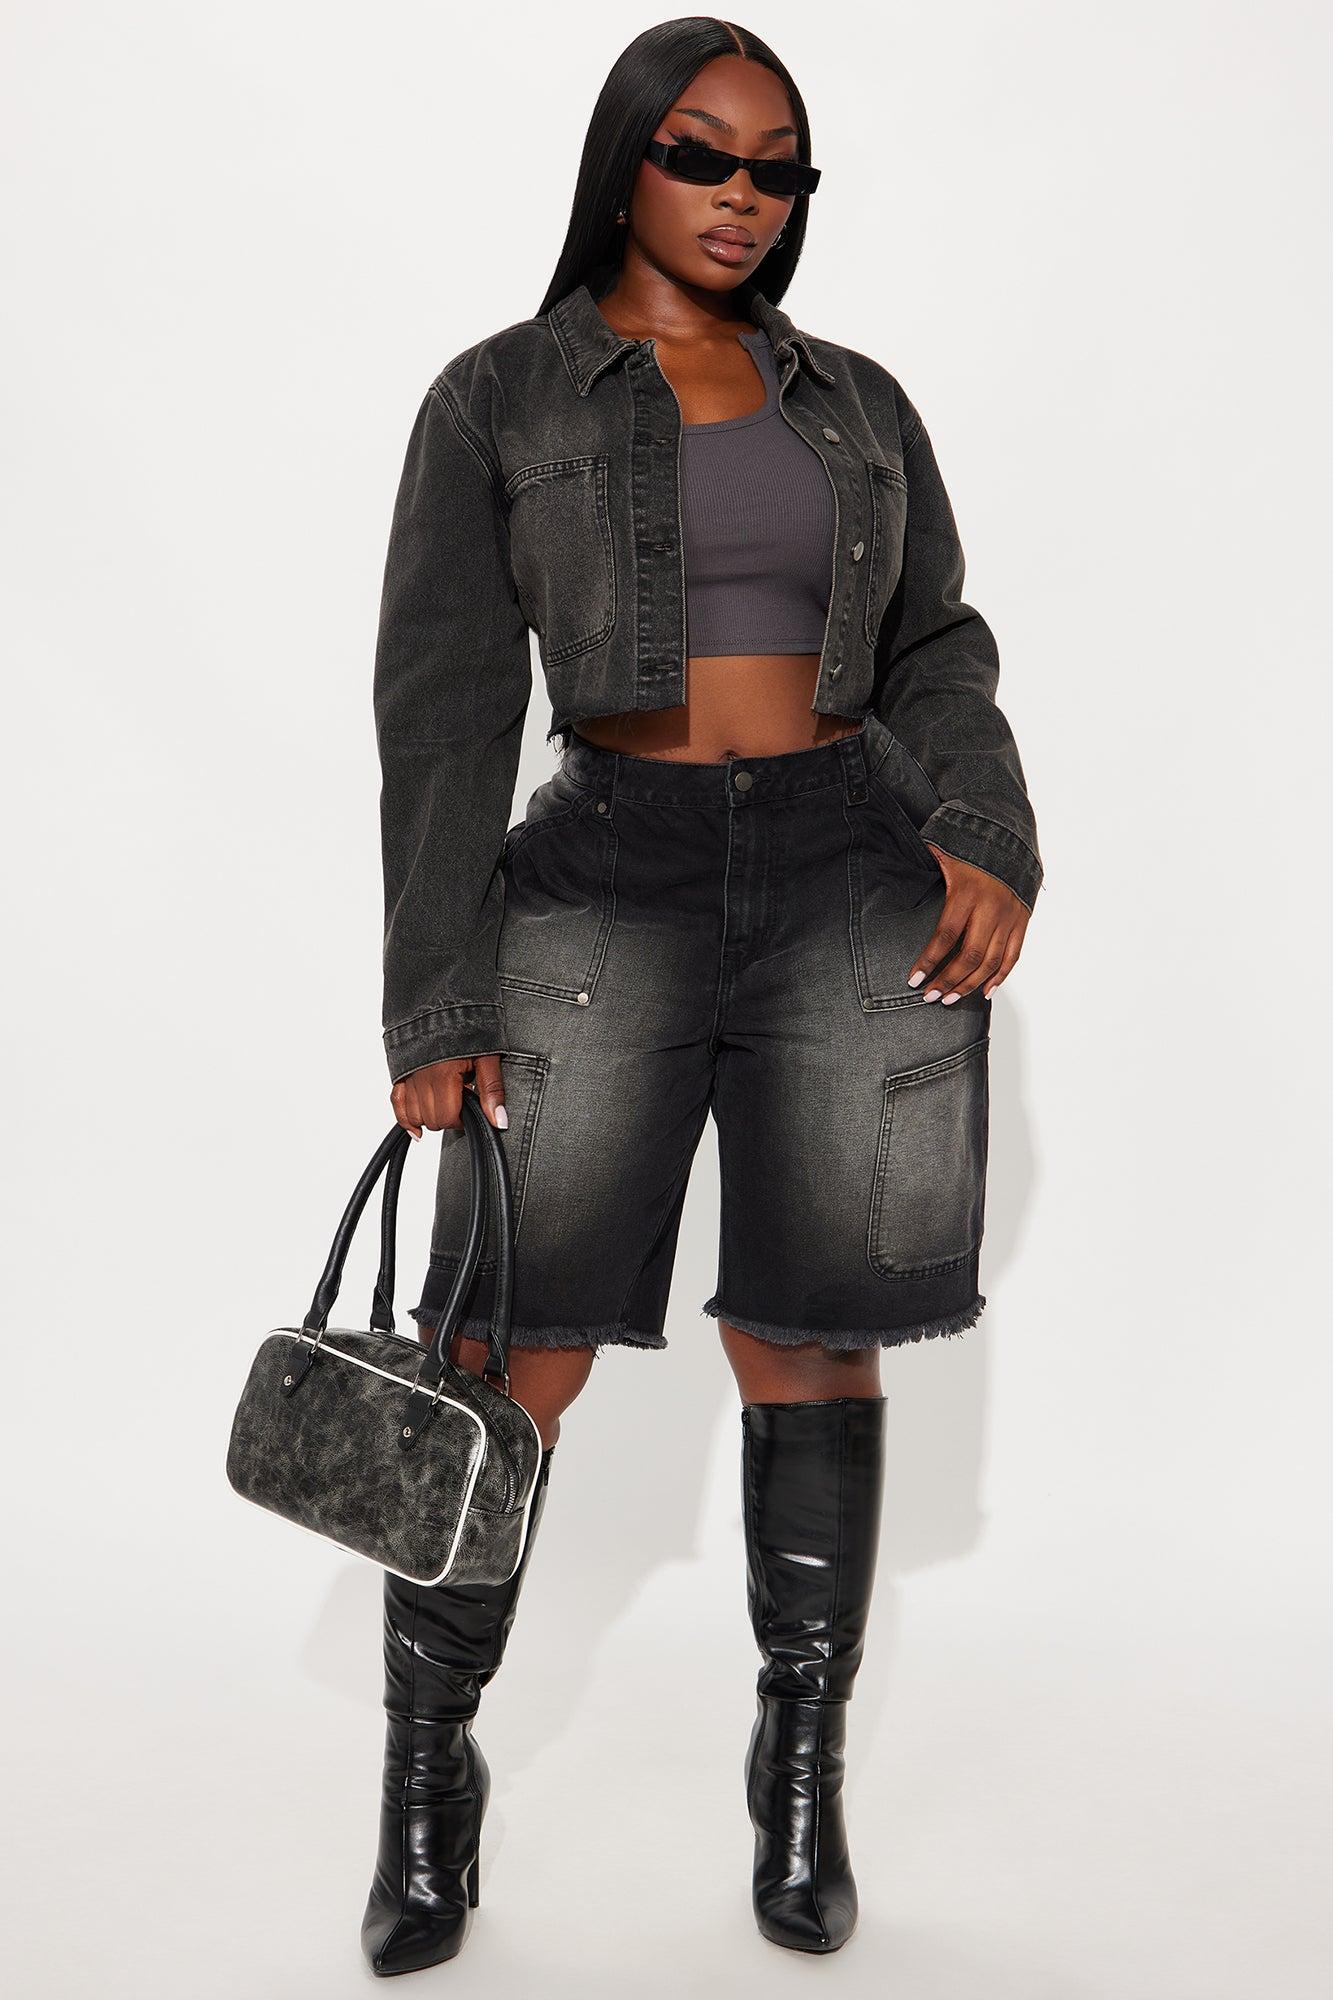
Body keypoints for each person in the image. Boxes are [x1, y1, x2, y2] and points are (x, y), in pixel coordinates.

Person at [359, 16, 1043, 1974]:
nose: (744, 195)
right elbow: (441, 707)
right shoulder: (501, 398)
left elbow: (934, 640)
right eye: (702, 154)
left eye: (777, 168)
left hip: (850, 876)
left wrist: (983, 828)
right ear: (625, 162)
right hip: (605, 878)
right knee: (509, 1344)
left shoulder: (858, 405)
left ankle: (800, 1776)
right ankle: (426, 1773)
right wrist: (435, 1002)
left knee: (814, 1331)